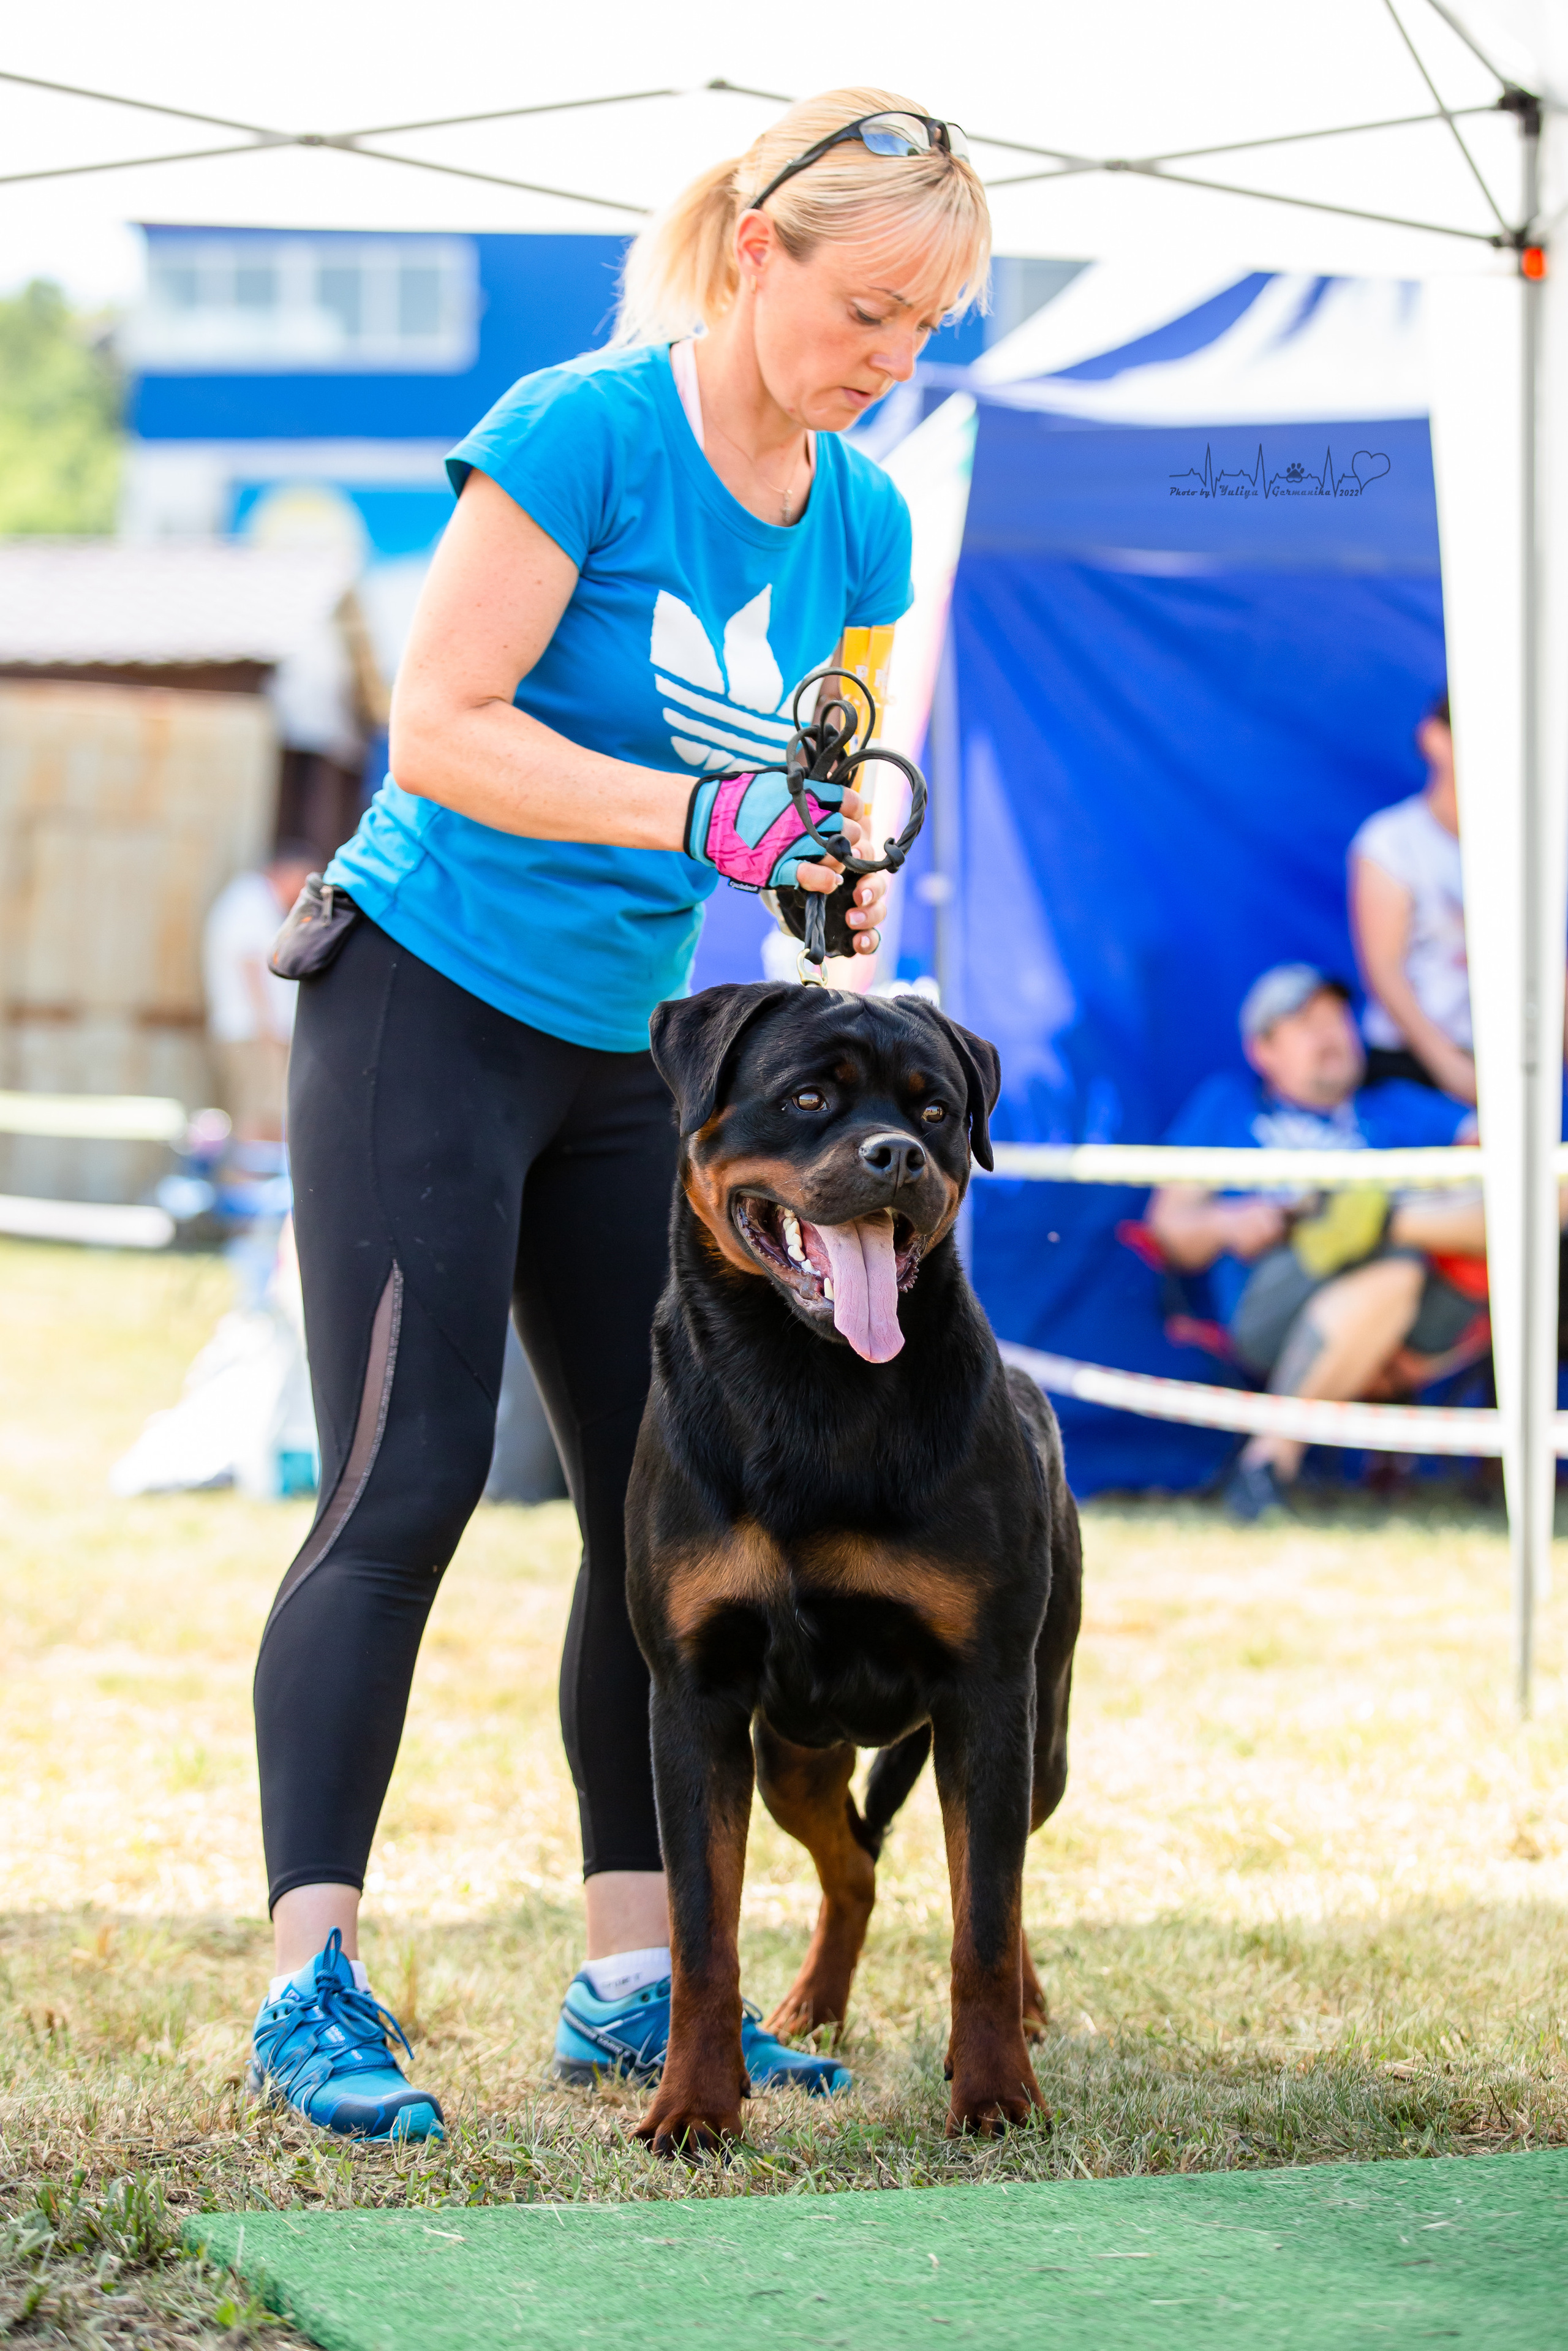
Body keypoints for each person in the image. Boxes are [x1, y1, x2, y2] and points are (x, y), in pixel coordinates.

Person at [244, 91, 991, 2142]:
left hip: (632, 1059)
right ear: (755, 251)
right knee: (401, 1487)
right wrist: (704, 816)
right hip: (424, 1000)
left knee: (651, 1513)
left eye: (927, 328)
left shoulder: (866, 520)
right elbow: (441, 726)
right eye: (866, 308)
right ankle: (309, 1979)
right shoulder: (580, 428)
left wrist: (824, 867)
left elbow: (811, 778)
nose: (890, 356)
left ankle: (635, 1974)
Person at [1148, 963, 1481, 1522]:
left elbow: (1529, 1176)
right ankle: (1370, 1221)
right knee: (1392, 1270)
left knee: (1462, 1228)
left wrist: (1391, 1213)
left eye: (1337, 1018)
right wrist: (1228, 1222)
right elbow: (1169, 1229)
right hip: (1275, 1305)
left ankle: (1265, 1463)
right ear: (1263, 1051)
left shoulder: (1396, 1106)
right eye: (1305, 1022)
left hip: (1423, 1312)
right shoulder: (1230, 1107)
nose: (1330, 1034)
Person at [1349, 691, 1474, 1102]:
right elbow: (1384, 970)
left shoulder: (1526, 843)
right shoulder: (1391, 841)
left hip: (1502, 1060)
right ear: (1434, 738)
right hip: (1411, 1065)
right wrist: (1451, 1068)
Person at [201, 841, 317, 1141]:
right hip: (252, 1031)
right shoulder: (251, 900)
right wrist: (267, 1027)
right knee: (258, 1117)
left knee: (265, 1114)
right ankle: (244, 1172)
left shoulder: (258, 902)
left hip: (257, 1030)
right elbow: (251, 966)